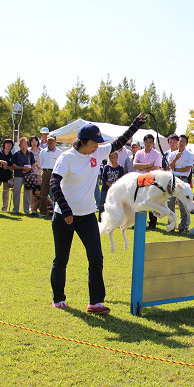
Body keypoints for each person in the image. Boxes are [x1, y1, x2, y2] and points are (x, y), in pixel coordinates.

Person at [50, 114, 147, 313]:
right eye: (95, 142)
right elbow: (53, 184)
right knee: (61, 259)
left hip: (87, 216)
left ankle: (96, 302)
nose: (98, 146)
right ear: (83, 141)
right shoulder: (67, 158)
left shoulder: (96, 153)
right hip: (64, 216)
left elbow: (119, 142)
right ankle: (58, 298)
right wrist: (66, 209)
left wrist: (136, 125)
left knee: (96, 257)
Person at [133, 134, 162, 229]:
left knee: (151, 200)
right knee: (140, 200)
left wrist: (142, 166)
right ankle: (141, 222)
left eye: (150, 142)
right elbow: (135, 165)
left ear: (153, 143)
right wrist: (148, 165)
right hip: (140, 179)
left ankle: (152, 224)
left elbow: (156, 168)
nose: (148, 144)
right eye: (146, 142)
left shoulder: (157, 154)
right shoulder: (139, 153)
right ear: (144, 142)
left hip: (151, 180)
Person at [167, 134, 193, 233]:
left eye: (183, 141)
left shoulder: (189, 155)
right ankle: (171, 225)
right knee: (170, 203)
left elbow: (187, 169)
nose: (181, 143)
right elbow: (170, 166)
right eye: (180, 141)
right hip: (173, 179)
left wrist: (176, 168)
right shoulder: (172, 154)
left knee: (183, 205)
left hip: (183, 180)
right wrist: (176, 159)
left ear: (186, 143)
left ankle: (183, 227)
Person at [11, 137, 36, 215]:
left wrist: (28, 169)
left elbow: (33, 164)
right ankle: (15, 209)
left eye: (25, 144)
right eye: (22, 144)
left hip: (28, 176)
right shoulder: (16, 154)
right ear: (20, 145)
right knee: (16, 192)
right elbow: (14, 165)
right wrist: (22, 168)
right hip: (18, 175)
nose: (24, 146)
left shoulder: (30, 154)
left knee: (27, 193)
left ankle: (26, 210)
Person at [39, 136, 62, 217]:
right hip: (45, 171)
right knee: (43, 192)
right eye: (49, 140)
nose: (50, 142)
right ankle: (42, 212)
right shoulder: (43, 152)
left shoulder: (59, 152)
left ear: (55, 141)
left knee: (55, 192)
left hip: (55, 172)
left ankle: (56, 211)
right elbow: (41, 162)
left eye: (52, 140)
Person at [99, 151, 125, 221]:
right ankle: (101, 219)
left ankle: (114, 219)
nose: (114, 159)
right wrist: (108, 183)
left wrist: (114, 185)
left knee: (115, 204)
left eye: (115, 157)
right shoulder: (106, 167)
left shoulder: (120, 168)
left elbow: (122, 178)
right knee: (103, 203)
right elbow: (103, 177)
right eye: (112, 157)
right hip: (106, 188)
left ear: (117, 158)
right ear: (109, 158)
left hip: (116, 189)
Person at [29, 136, 43, 214]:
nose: (34, 143)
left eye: (35, 141)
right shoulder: (28, 151)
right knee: (31, 191)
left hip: (39, 174)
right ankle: (32, 207)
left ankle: (37, 207)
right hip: (30, 173)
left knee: (38, 191)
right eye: (32, 141)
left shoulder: (41, 151)